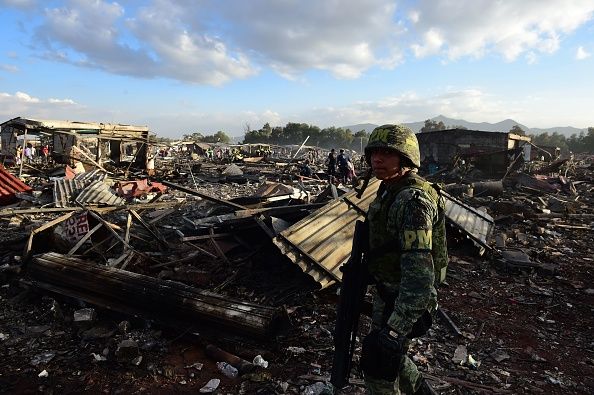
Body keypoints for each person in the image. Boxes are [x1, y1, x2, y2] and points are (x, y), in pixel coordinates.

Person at [360, 124, 448, 395]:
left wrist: (396, 329)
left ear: (406, 158)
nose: (377, 159)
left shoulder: (412, 200)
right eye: (374, 152)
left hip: (405, 298)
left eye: (387, 153)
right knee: (392, 358)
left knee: (379, 367)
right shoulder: (390, 188)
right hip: (390, 291)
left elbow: (420, 278)